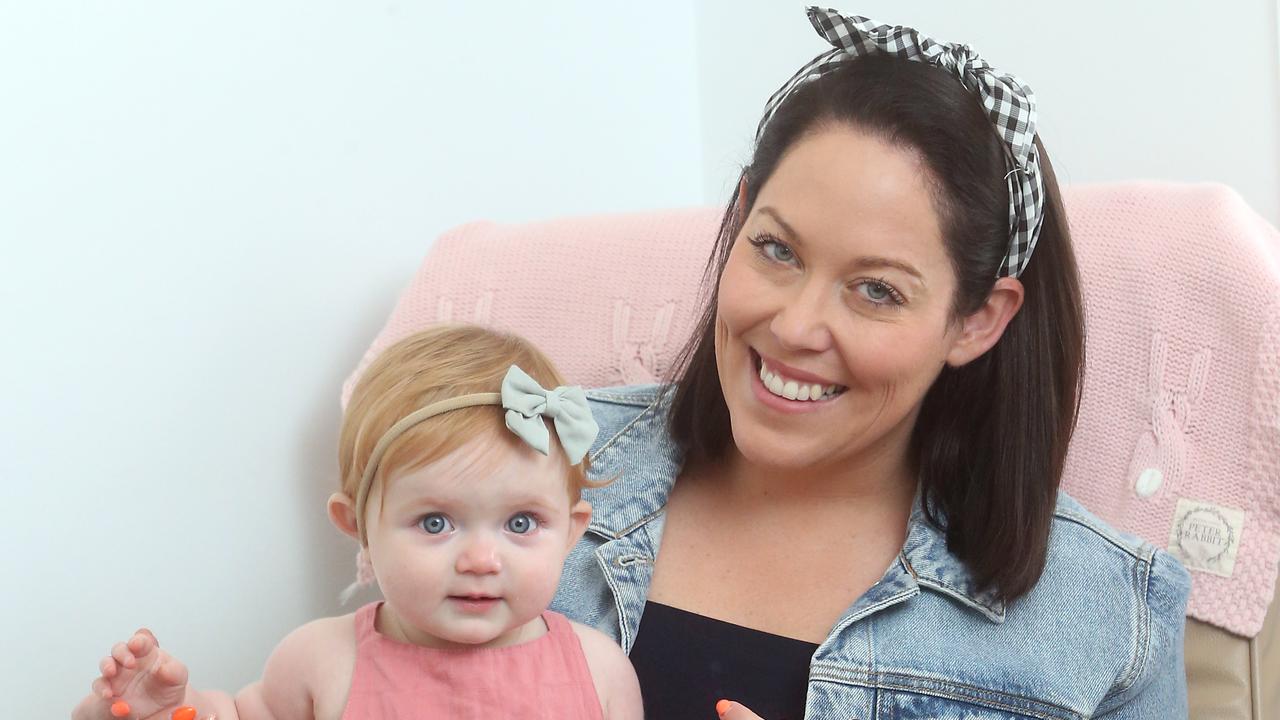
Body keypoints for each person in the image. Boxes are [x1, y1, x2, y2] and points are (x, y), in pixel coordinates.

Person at [550, 8, 1191, 719]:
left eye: (877, 290)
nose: (795, 326)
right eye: (776, 249)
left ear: (977, 319)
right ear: (740, 216)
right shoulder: (520, 460)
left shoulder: (1102, 616)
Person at [72, 325, 644, 720]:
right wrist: (172, 707)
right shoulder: (321, 659)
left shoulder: (600, 671)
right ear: (357, 525)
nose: (480, 560)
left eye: (520, 524)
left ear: (571, 531)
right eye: (435, 522)